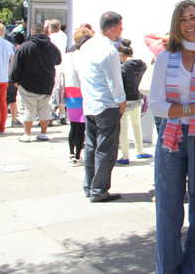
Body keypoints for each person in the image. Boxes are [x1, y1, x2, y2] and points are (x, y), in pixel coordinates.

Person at [150, 0, 195, 274]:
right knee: (168, 208)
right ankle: (167, 268)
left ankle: (194, 268)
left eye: (193, 17)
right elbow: (156, 104)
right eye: (183, 19)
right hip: (172, 136)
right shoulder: (166, 57)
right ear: (176, 25)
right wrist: (193, 108)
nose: (189, 24)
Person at [77, 11, 126, 203]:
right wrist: (121, 101)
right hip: (106, 104)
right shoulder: (109, 51)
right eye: (120, 26)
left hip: (90, 102)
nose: (122, 29)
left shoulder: (88, 46)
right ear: (112, 28)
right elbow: (114, 81)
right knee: (106, 149)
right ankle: (99, 189)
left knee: (91, 146)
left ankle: (90, 186)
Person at [9, 23, 62, 142]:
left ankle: (27, 134)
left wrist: (14, 80)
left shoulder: (25, 46)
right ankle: (43, 133)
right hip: (47, 83)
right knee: (44, 109)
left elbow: (16, 65)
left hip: (28, 83)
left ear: (32, 32)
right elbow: (58, 60)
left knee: (29, 109)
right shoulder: (52, 46)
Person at [116, 39, 150, 165]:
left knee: (123, 128)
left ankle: (125, 155)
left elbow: (119, 85)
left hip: (125, 100)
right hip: (137, 98)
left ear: (122, 55)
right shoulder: (142, 65)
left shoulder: (122, 68)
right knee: (137, 125)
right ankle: (140, 150)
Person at [64, 27, 93, 165]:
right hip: (81, 90)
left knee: (73, 124)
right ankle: (77, 154)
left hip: (70, 90)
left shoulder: (69, 54)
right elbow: (83, 74)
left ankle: (71, 152)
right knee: (81, 124)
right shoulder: (82, 55)